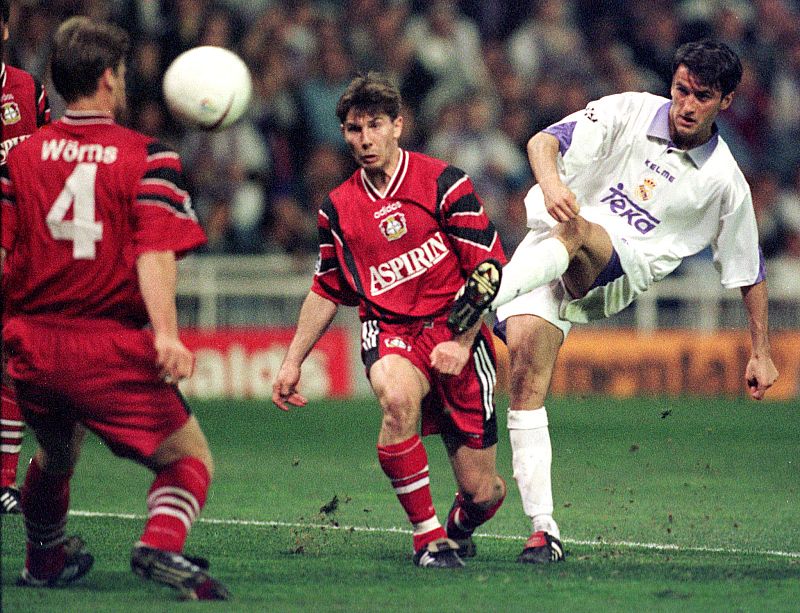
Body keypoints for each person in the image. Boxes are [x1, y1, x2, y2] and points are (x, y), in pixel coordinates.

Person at [449, 39, 779, 564]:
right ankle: (540, 530)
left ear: (726, 101)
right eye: (681, 90)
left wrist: (760, 351)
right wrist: (551, 184)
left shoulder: (726, 182)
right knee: (527, 378)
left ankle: (477, 301)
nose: (686, 105)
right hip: (550, 245)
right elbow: (543, 143)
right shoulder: (631, 109)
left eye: (702, 96)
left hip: (617, 268)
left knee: (576, 230)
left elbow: (749, 270)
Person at [0, 16, 229, 599]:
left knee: (55, 455)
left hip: (31, 346)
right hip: (105, 345)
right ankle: (161, 543)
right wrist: (167, 334)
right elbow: (154, 252)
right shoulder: (148, 158)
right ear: (108, 78)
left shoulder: (19, 159)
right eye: (121, 73)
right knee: (187, 459)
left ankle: (43, 561)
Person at [272, 72, 507, 569]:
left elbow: (488, 268)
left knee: (483, 493)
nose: (365, 139)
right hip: (392, 332)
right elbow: (326, 288)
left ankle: (459, 525)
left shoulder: (444, 182)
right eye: (354, 129)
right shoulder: (337, 209)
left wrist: (462, 341)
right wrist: (292, 361)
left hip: (456, 331)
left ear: (398, 125)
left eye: (375, 126)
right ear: (344, 134)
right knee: (397, 402)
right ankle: (428, 537)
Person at [0, 0, 51, 515]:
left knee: (12, 364)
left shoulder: (27, 89)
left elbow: (45, 163)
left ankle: (4, 481)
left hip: (21, 247)